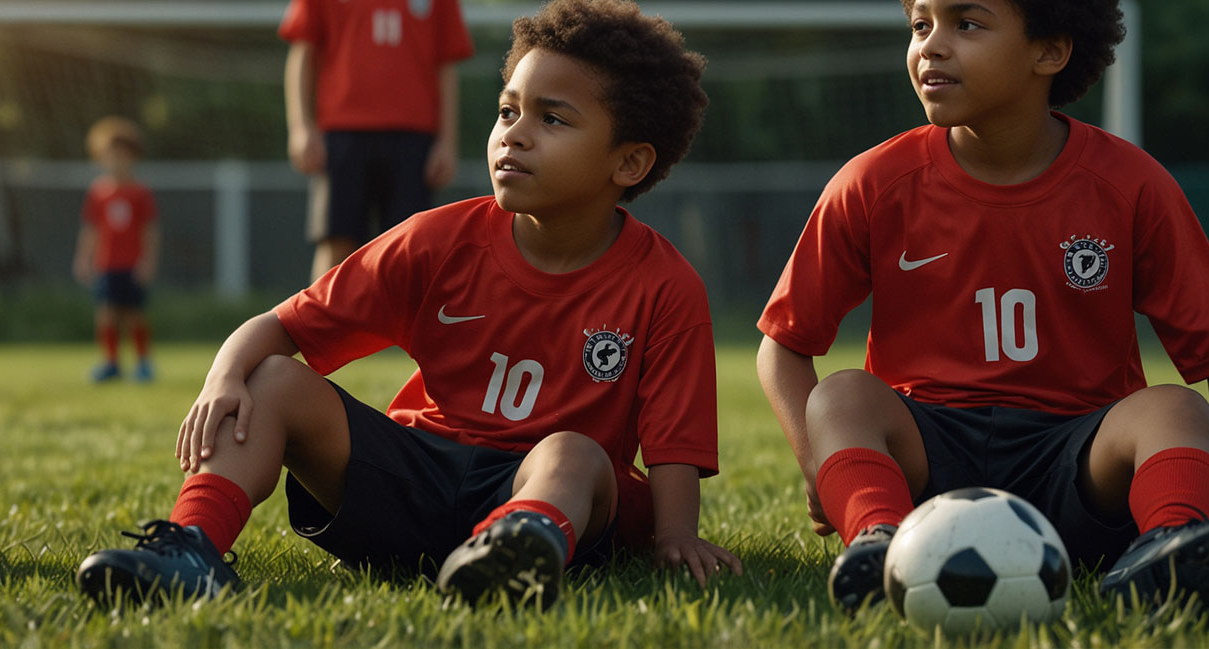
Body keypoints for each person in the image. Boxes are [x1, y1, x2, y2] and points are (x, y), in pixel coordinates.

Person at [76, 0, 737, 608]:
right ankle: (192, 547)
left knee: (574, 451)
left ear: (629, 163)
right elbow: (277, 327)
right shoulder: (436, 239)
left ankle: (514, 552)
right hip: (412, 478)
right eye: (508, 111)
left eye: (552, 117)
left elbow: (674, 442)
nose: (516, 134)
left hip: (541, 489)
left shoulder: (666, 285)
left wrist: (675, 535)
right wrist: (225, 377)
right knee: (271, 376)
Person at [754, 0, 1209, 615]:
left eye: (966, 24)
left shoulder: (1131, 184)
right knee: (841, 395)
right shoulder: (872, 182)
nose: (932, 46)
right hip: (930, 465)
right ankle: (883, 544)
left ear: (1049, 51)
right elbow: (782, 346)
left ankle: (1170, 545)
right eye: (921, 25)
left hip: (1081, 467)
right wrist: (820, 467)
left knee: (1175, 409)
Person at [279, 0, 472, 280]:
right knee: (337, 242)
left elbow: (446, 64)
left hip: (414, 137)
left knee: (410, 248)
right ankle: (319, 324)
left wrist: (448, 142)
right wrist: (300, 127)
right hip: (342, 134)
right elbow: (302, 51)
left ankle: (403, 326)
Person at [72, 116, 160, 383]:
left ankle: (143, 363)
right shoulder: (98, 193)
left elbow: (150, 230)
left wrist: (148, 262)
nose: (116, 161)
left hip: (131, 264)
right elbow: (91, 229)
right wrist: (83, 258)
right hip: (106, 264)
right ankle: (111, 363)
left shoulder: (140, 193)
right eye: (110, 156)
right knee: (107, 314)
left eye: (122, 155)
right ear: (101, 158)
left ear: (132, 157)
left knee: (134, 314)